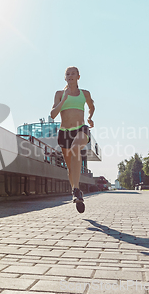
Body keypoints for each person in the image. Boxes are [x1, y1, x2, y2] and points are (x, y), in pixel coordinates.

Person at [50, 66, 95, 204]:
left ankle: (76, 190)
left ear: (78, 77)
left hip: (81, 128)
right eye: (67, 74)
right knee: (70, 169)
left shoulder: (85, 93)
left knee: (76, 148)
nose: (70, 75)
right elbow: (52, 115)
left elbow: (91, 105)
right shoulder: (59, 94)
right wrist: (64, 99)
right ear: (65, 77)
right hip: (64, 132)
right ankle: (76, 190)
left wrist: (90, 117)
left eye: (73, 73)